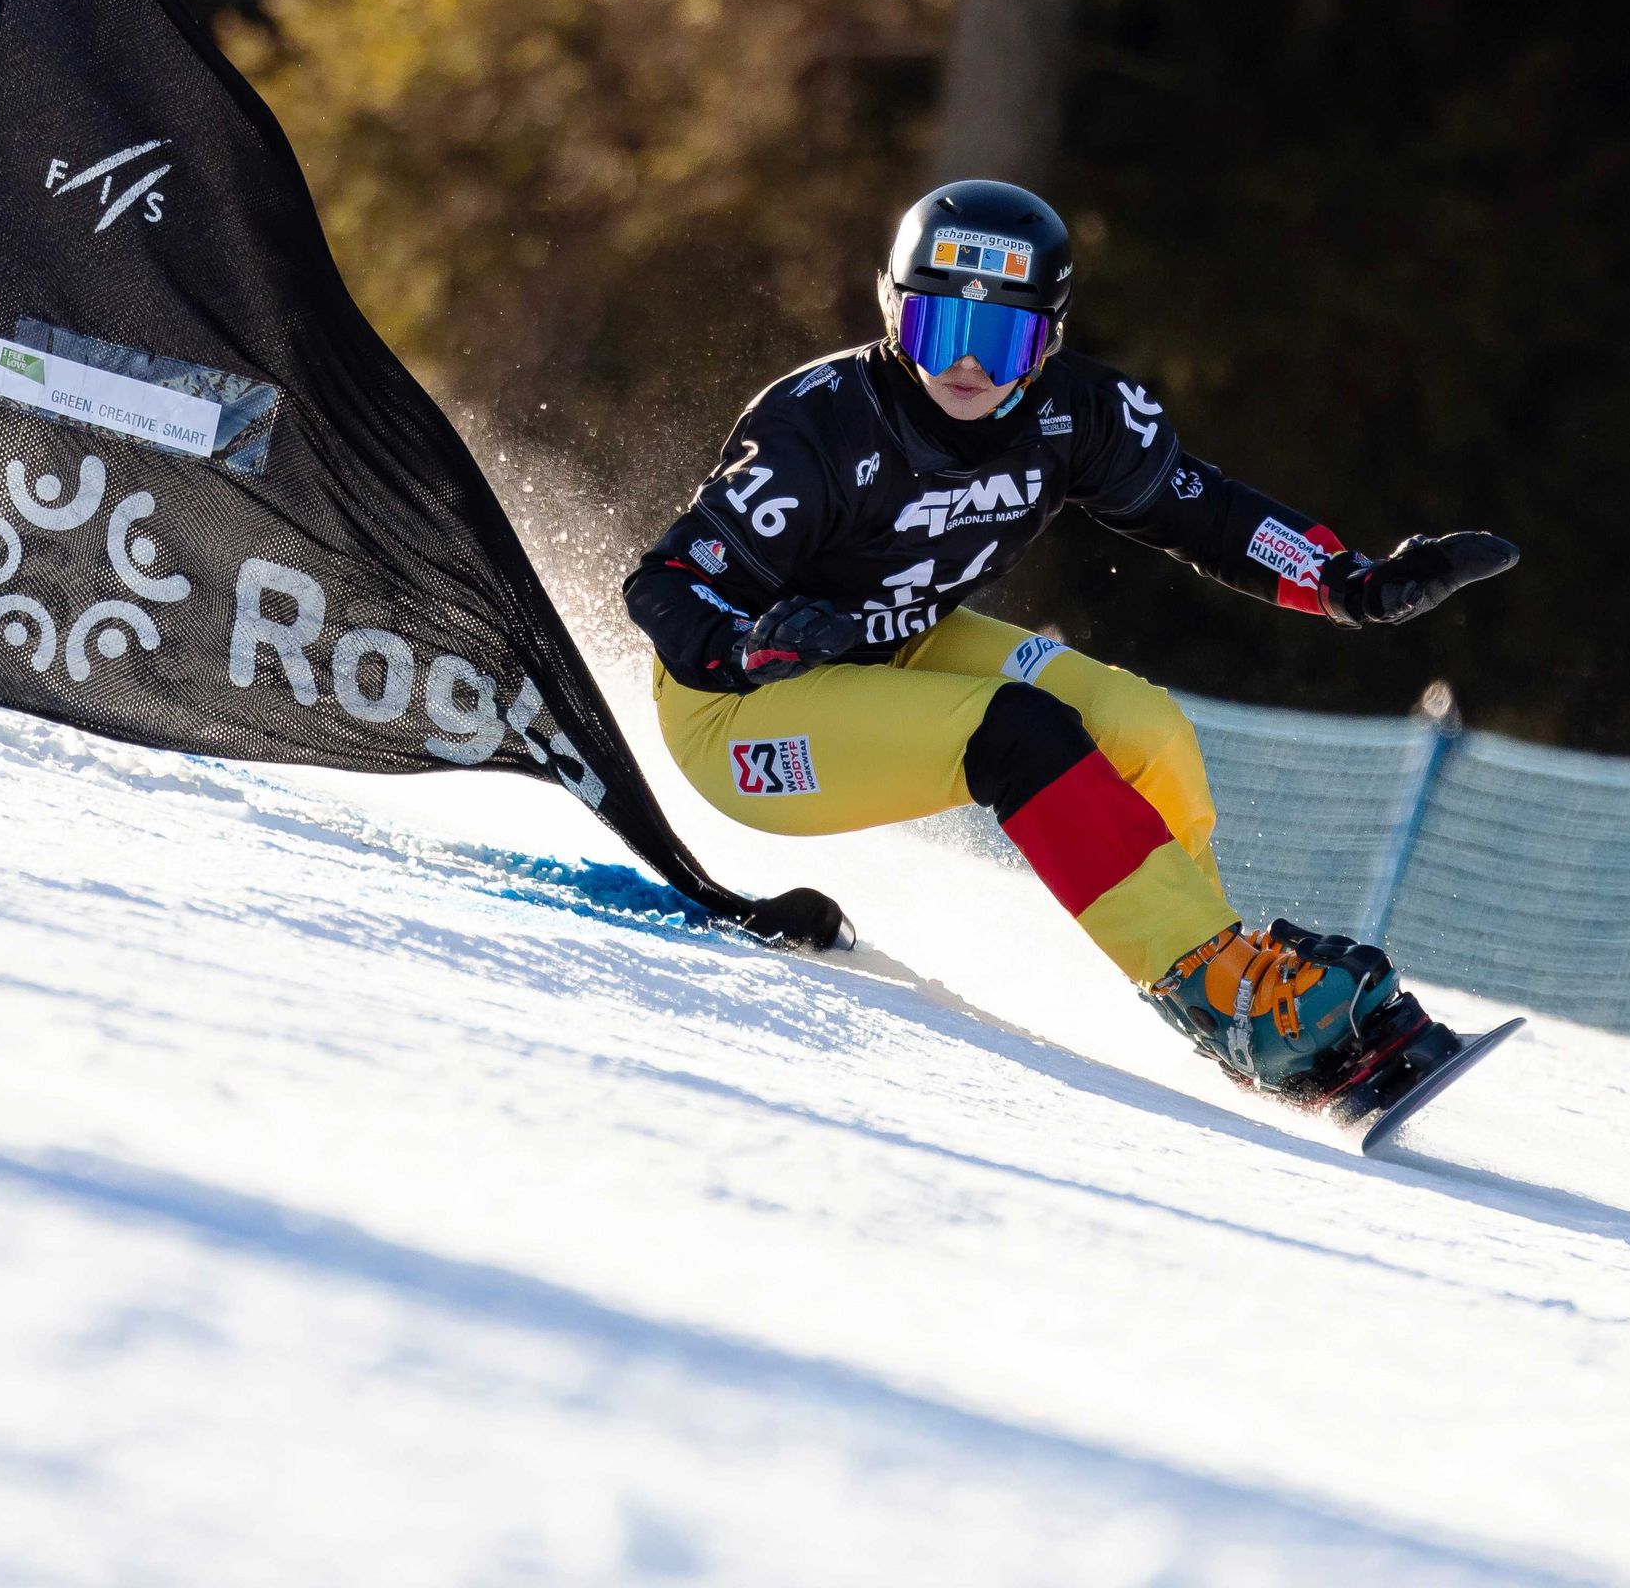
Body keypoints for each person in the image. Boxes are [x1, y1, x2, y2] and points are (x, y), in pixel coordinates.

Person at [622, 179, 1517, 1101]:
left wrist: (1345, 583)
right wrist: (744, 646)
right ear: (893, 314)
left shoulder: (1076, 413)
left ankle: (1224, 981)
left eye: (1000, 337)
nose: (966, 367)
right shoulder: (817, 426)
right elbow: (664, 584)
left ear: (1047, 337)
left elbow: (1201, 512)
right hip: (739, 713)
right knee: (1017, 733)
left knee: (1142, 725)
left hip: (891, 647)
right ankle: (1224, 991)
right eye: (940, 330)